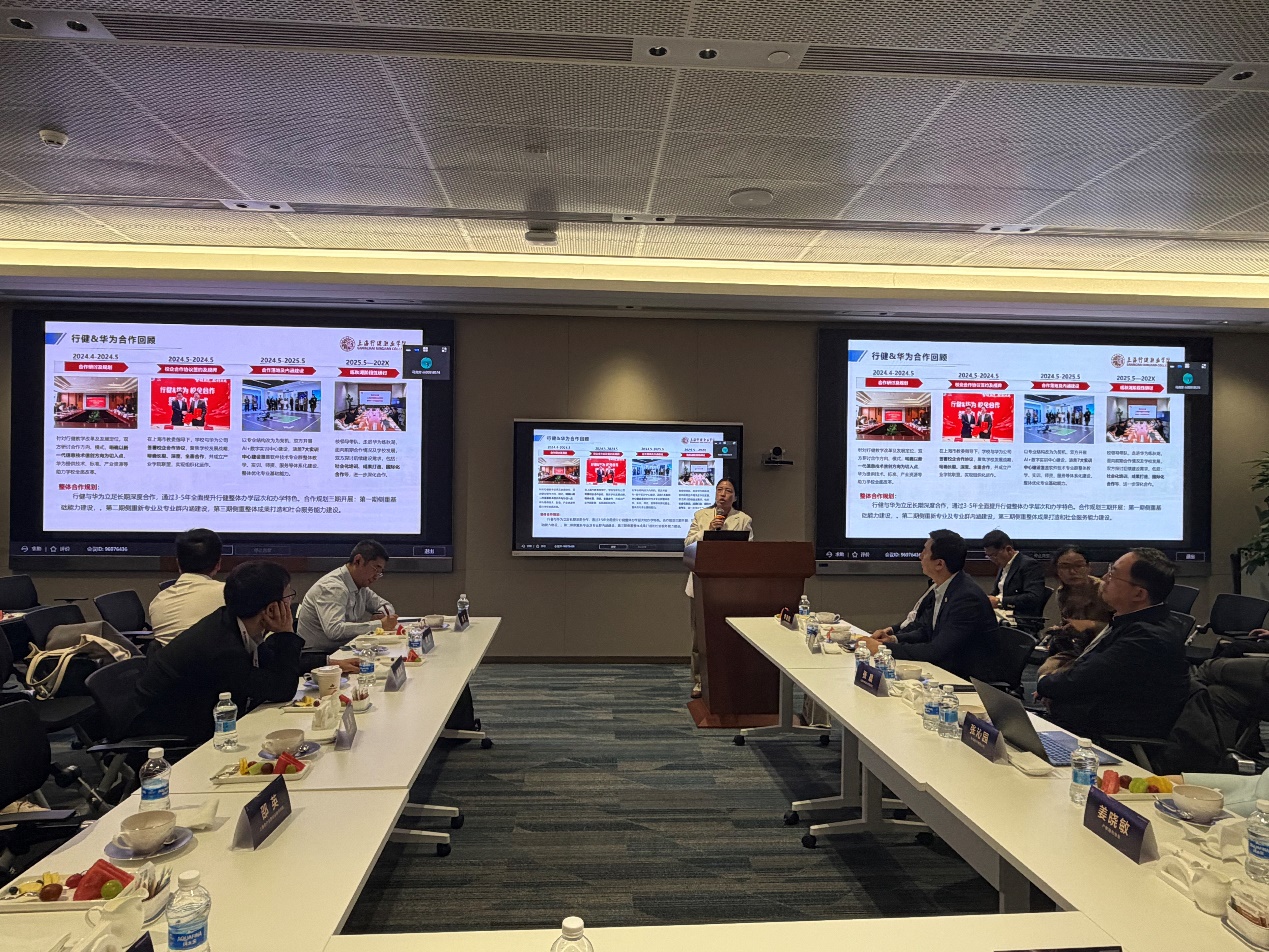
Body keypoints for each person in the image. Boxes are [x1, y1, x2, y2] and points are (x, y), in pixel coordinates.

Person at [131, 560, 304, 744]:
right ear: (271, 609)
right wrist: (286, 634)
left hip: (192, 719)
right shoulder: (222, 647)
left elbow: (272, 674)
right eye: (289, 597)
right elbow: (282, 689)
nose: (290, 603)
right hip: (165, 734)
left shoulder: (231, 622)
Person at [1035, 548, 1190, 742]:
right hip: (1082, 723)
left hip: (1102, 740)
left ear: (1139, 594)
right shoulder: (1129, 621)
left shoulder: (1146, 638)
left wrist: (1046, 683)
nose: (1104, 578)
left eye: (1113, 575)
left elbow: (1079, 680)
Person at [859, 530, 996, 680]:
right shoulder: (944, 587)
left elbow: (936, 651)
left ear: (939, 564)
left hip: (967, 679)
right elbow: (927, 631)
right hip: (946, 669)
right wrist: (893, 640)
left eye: (924, 552)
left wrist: (883, 649)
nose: (920, 556)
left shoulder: (966, 598)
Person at [684, 478, 752, 699]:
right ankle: (699, 681)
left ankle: (729, 679)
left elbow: (749, 551)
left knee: (728, 635)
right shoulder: (701, 516)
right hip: (701, 584)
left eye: (728, 490)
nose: (723, 494)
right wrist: (709, 531)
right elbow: (688, 544)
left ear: (735, 497)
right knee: (699, 637)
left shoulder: (743, 519)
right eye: (719, 489)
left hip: (730, 585)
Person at [297, 540, 398, 660]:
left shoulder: (360, 586)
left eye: (380, 572)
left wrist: (380, 614)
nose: (376, 576)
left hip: (343, 650)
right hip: (319, 657)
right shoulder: (333, 587)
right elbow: (335, 630)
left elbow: (386, 605)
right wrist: (379, 625)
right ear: (358, 560)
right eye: (376, 569)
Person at [148, 528, 226, 645]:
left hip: (172, 657)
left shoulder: (157, 603)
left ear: (178, 563)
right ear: (218, 564)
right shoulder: (231, 594)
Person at [983, 529, 1048, 631]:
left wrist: (999, 602)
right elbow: (998, 593)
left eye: (994, 555)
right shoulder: (1004, 565)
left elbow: (1033, 598)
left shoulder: (1029, 565)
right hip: (1002, 613)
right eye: (989, 556)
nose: (992, 559)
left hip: (1017, 617)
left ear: (1008, 549)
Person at [1042, 544, 1103, 629]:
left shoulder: (1103, 589)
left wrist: (1090, 625)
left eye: (1079, 566)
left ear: (1088, 567)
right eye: (1065, 567)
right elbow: (1069, 622)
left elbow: (1120, 626)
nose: (1072, 571)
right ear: (1057, 570)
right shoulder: (1062, 592)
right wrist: (1061, 628)